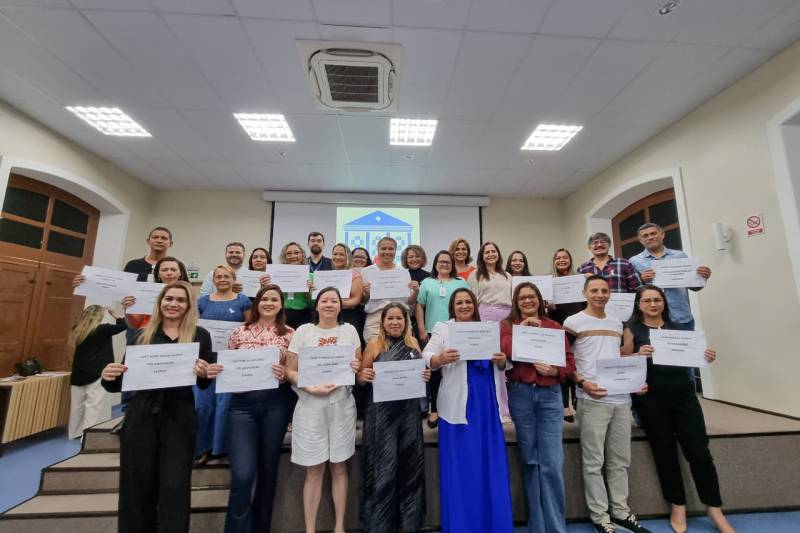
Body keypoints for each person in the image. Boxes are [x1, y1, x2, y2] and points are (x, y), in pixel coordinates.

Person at [100, 281, 214, 533]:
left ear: (189, 305)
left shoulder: (200, 335)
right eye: (168, 298)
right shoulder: (141, 336)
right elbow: (122, 381)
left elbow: (204, 383)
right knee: (137, 484)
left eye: (180, 300)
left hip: (180, 415)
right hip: (141, 414)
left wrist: (204, 373)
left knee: (175, 485)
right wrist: (108, 376)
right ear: (160, 302)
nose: (173, 304)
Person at [622, 285, 734, 533]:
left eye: (657, 300)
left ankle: (714, 508)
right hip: (651, 400)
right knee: (665, 452)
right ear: (638, 305)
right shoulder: (632, 329)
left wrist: (705, 356)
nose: (653, 304)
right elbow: (621, 360)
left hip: (684, 397)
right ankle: (677, 505)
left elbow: (694, 357)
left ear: (664, 302)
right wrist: (638, 354)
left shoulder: (680, 328)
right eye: (647, 301)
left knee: (700, 453)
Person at [563, 276, 650, 533]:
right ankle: (600, 516)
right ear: (584, 293)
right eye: (594, 290)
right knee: (594, 462)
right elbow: (565, 359)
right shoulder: (572, 322)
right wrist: (582, 383)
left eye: (604, 290)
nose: (600, 294)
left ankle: (620, 511)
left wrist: (636, 380)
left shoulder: (616, 323)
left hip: (621, 400)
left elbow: (618, 358)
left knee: (620, 460)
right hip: (592, 400)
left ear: (610, 293)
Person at [423, 288, 513, 533]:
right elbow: (426, 354)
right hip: (457, 405)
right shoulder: (444, 328)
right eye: (459, 302)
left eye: (468, 302)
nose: (464, 306)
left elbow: (505, 361)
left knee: (489, 465)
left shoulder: (489, 328)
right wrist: (439, 359)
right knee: (462, 469)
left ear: (475, 305)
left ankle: (493, 525)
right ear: (453, 307)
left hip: (486, 404)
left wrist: (501, 361)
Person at [207, 284, 294, 533]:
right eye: (264, 299)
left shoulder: (290, 333)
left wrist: (284, 373)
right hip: (241, 407)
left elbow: (293, 370)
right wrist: (218, 370)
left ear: (281, 304)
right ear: (257, 303)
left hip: (275, 404)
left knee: (268, 472)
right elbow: (228, 365)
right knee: (243, 474)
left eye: (274, 299)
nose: (269, 303)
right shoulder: (239, 331)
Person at [285, 287, 361, 533]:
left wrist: (356, 366)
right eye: (324, 300)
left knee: (339, 466)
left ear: (340, 306)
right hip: (310, 404)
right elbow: (290, 370)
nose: (329, 304)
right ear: (316, 305)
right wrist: (309, 386)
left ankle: (339, 527)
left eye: (334, 301)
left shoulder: (349, 331)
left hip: (341, 404)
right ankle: (310, 529)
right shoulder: (303, 331)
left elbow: (358, 365)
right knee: (314, 469)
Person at [500, 282, 575, 533]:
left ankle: (555, 528)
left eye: (532, 296)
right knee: (530, 461)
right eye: (522, 298)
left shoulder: (554, 326)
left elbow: (569, 362)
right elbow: (506, 349)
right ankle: (538, 527)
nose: (527, 301)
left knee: (552, 463)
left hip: (550, 397)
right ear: (516, 302)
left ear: (540, 299)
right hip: (521, 395)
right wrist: (524, 328)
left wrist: (555, 371)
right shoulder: (507, 326)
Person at [357, 303, 430, 533]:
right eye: (390, 318)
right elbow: (360, 379)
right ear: (383, 322)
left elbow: (420, 374)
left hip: (408, 414)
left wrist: (425, 375)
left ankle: (409, 524)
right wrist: (364, 375)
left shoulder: (413, 343)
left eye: (399, 318)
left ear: (406, 322)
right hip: (381, 416)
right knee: (383, 468)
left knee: (410, 467)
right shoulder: (373, 345)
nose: (395, 322)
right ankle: (380, 524)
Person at [194, 265, 253, 464]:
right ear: (213, 280)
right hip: (206, 359)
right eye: (218, 276)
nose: (222, 279)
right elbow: (195, 329)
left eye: (226, 276)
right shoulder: (202, 302)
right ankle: (203, 448)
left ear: (233, 278)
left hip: (230, 360)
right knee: (202, 405)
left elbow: (248, 330)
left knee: (224, 405)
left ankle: (221, 448)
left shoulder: (242, 300)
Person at [415, 250, 468, 428]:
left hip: (457, 332)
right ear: (435, 264)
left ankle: (456, 406)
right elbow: (420, 306)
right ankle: (435, 409)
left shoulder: (461, 283)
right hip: (433, 332)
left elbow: (468, 305)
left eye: (448, 262)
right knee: (434, 372)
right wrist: (421, 329)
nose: (444, 264)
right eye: (441, 261)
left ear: (452, 265)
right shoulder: (427, 283)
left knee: (455, 371)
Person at [629, 223, 711, 331]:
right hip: (651, 319)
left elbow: (695, 288)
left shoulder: (680, 256)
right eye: (645, 235)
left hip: (681, 316)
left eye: (653, 233)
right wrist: (642, 280)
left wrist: (702, 277)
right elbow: (632, 292)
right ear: (641, 240)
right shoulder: (634, 261)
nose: (650, 237)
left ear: (662, 234)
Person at [68, 302, 131, 439]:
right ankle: (87, 437)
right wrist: (115, 314)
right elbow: (123, 325)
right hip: (97, 373)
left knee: (76, 406)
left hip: (78, 373)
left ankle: (74, 433)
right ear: (99, 316)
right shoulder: (103, 329)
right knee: (93, 407)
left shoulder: (77, 329)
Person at [467, 241, 512, 419]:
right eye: (487, 252)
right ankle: (495, 407)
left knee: (505, 358)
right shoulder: (475, 275)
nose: (491, 254)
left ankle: (506, 407)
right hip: (484, 316)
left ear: (498, 254)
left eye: (493, 251)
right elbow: (472, 300)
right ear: (482, 256)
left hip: (506, 317)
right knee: (489, 359)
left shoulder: (507, 275)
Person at [547, 248, 585, 422]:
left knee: (578, 362)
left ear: (570, 260)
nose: (561, 260)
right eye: (558, 258)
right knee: (562, 363)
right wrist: (549, 306)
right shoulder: (549, 281)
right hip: (558, 326)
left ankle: (577, 400)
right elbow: (545, 309)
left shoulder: (580, 280)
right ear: (554, 261)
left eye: (565, 257)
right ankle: (564, 406)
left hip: (579, 327)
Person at [361, 236, 419, 342]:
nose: (387, 252)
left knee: (403, 350)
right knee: (376, 350)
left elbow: (410, 301)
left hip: (400, 318)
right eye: (383, 248)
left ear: (395, 251)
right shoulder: (367, 271)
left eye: (391, 249)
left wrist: (416, 291)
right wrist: (366, 293)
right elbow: (363, 301)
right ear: (377, 250)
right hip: (376, 319)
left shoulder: (403, 272)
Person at [280, 242, 313, 330]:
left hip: (304, 317)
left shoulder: (311, 277)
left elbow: (314, 305)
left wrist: (310, 293)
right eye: (289, 253)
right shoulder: (278, 275)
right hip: (281, 316)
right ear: (284, 257)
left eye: (297, 252)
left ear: (302, 255)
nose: (293, 256)